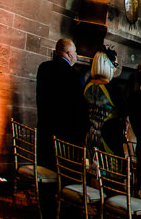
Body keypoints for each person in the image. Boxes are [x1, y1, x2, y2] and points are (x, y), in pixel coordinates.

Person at [35, 38, 85, 168]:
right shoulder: (75, 75)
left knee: (46, 166)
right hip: (66, 134)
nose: (76, 56)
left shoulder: (43, 68)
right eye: (75, 52)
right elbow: (79, 106)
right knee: (64, 171)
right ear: (69, 54)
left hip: (45, 128)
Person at [84, 51, 120, 153]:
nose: (115, 69)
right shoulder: (113, 88)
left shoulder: (87, 85)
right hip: (108, 137)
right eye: (115, 65)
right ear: (107, 65)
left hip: (90, 135)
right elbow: (124, 112)